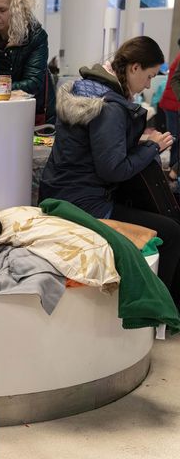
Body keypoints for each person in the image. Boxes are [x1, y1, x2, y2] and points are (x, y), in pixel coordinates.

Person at [39, 36, 180, 306]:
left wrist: (134, 143)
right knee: (172, 232)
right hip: (86, 204)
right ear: (134, 68)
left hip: (64, 193)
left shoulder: (87, 90)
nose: (149, 85)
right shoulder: (111, 107)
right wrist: (152, 148)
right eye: (149, 76)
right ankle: (163, 310)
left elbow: (93, 150)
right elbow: (113, 169)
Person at [159, 38, 180, 179]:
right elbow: (175, 80)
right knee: (175, 137)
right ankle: (173, 171)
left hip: (172, 102)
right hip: (172, 103)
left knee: (175, 137)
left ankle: (174, 170)